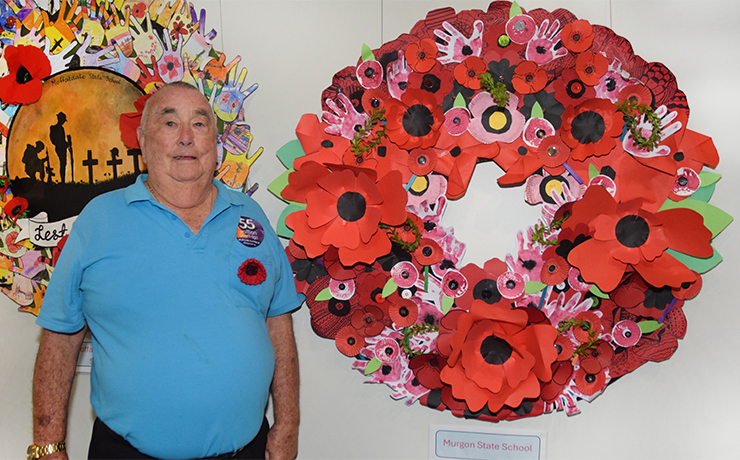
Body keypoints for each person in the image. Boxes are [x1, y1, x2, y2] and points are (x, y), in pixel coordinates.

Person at [30, 82, 301, 460]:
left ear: (215, 143)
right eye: (170, 123)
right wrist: (47, 446)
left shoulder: (249, 214)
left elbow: (277, 321)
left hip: (246, 450)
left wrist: (288, 424)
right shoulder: (100, 220)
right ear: (143, 141)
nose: (186, 137)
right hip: (126, 454)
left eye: (199, 124)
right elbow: (61, 336)